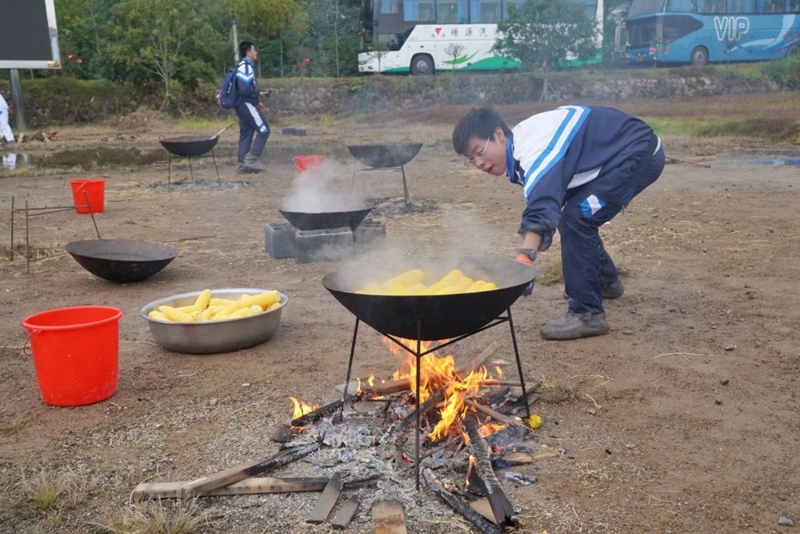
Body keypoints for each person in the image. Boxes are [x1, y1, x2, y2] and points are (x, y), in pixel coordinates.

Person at [453, 106, 665, 340]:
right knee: (575, 216)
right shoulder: (522, 145)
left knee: (576, 218)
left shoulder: (534, 148)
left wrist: (524, 260)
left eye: (480, 151)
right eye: (471, 159)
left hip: (635, 152)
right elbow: (546, 202)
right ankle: (605, 283)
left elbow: (543, 206)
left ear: (499, 135)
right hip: (615, 154)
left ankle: (587, 313)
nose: (479, 163)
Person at [235, 41, 270, 174]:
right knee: (264, 130)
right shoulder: (245, 67)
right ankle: (251, 160)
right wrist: (255, 95)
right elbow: (244, 89)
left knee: (247, 132)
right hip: (246, 105)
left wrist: (256, 100)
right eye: (254, 50)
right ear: (248, 52)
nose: (256, 53)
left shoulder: (242, 66)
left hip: (243, 105)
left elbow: (244, 89)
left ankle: (242, 163)